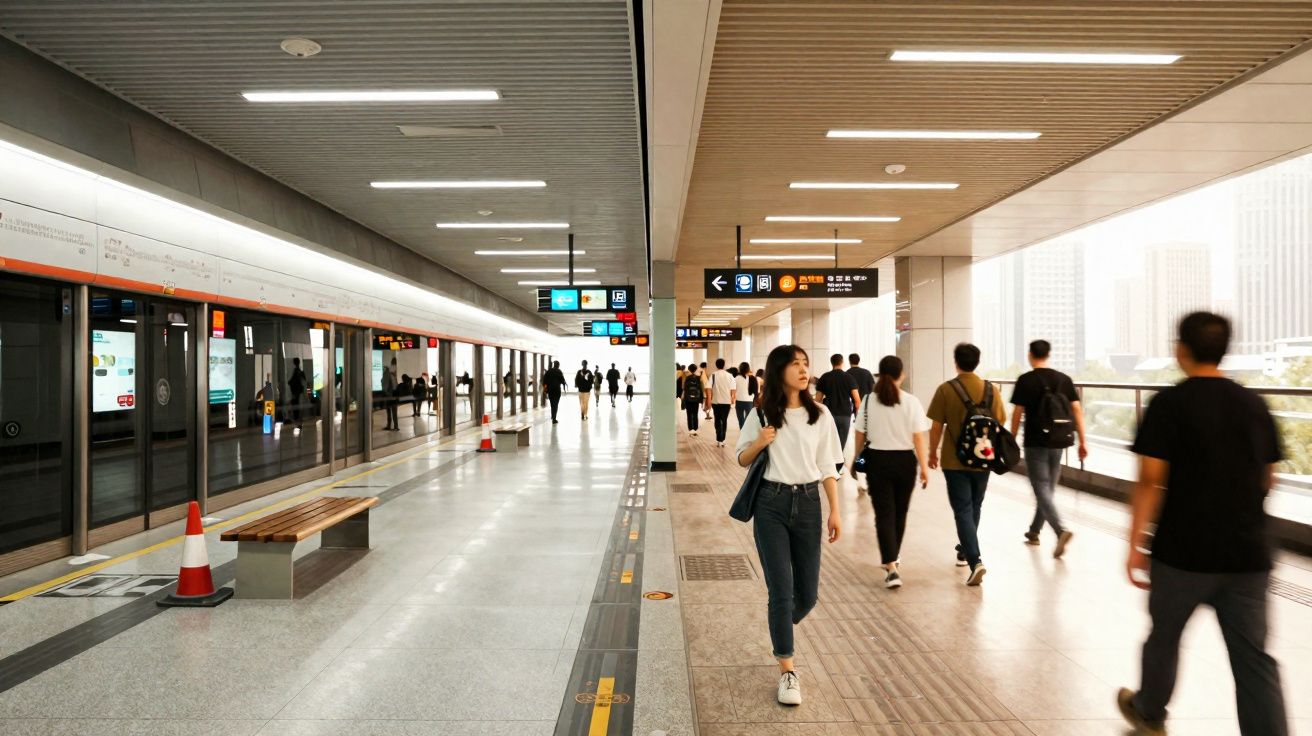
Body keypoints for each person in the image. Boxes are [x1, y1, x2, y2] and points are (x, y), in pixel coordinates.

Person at [1118, 313, 1289, 736]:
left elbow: (1150, 479)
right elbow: (1270, 475)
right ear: (1224, 348)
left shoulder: (1169, 404)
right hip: (1248, 554)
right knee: (1253, 659)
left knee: (1164, 637)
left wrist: (1136, 542)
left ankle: (1149, 710)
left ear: (1182, 349)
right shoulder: (1254, 404)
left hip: (1182, 553)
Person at [736, 344, 843, 707]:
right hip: (771, 504)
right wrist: (760, 441)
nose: (802, 369)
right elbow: (741, 457)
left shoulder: (821, 414)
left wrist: (835, 511)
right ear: (778, 369)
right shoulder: (763, 412)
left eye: (805, 364)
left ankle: (779, 624)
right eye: (795, 364)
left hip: (810, 504)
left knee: (808, 595)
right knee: (781, 591)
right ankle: (788, 671)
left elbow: (829, 465)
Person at [926, 343, 1005, 586]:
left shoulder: (946, 389)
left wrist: (932, 453)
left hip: (955, 460)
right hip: (984, 458)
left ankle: (975, 560)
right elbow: (1000, 420)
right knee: (975, 505)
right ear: (977, 362)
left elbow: (936, 426)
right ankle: (965, 549)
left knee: (962, 509)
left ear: (956, 362)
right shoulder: (991, 390)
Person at [851, 356, 930, 589]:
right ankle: (893, 556)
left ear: (879, 373)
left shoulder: (867, 401)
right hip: (905, 462)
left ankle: (891, 566)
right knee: (900, 513)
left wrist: (856, 459)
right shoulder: (911, 402)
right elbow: (918, 437)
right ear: (901, 375)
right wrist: (924, 467)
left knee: (883, 514)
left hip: (877, 461)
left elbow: (859, 434)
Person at [1008, 339, 1087, 558]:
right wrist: (1083, 441)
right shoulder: (1064, 379)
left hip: (1036, 442)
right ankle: (1034, 531)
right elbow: (1077, 410)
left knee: (1042, 488)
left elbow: (1017, 413)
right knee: (1048, 489)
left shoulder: (1025, 380)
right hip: (1060, 441)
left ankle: (1060, 530)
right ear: (1048, 354)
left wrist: (1012, 438)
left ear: (1030, 354)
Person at [814, 353, 860, 455]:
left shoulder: (825, 377)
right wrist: (858, 417)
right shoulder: (849, 377)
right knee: (841, 444)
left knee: (830, 443)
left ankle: (832, 466)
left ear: (832, 363)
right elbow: (857, 401)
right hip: (845, 415)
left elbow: (818, 400)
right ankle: (838, 466)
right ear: (842, 362)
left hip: (829, 414)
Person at [708, 358, 735, 447]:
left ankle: (719, 438)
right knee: (724, 420)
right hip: (726, 402)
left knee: (717, 419)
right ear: (724, 365)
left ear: (716, 365)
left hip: (716, 402)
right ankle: (722, 439)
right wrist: (732, 400)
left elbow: (709, 388)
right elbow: (733, 390)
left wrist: (708, 400)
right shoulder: (730, 375)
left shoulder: (713, 375)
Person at [682, 365, 704, 435]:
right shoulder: (698, 378)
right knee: (695, 413)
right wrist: (701, 399)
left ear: (689, 369)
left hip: (688, 398)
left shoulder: (687, 377)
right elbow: (701, 389)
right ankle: (695, 428)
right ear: (695, 369)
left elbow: (684, 388)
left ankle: (690, 429)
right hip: (696, 399)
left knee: (689, 414)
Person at [734, 361, 758, 427]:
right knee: (747, 421)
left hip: (739, 402)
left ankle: (742, 432)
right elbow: (756, 391)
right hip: (749, 402)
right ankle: (746, 433)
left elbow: (734, 390)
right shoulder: (752, 378)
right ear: (748, 369)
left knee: (741, 420)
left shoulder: (736, 378)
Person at [287, 357, 307, 428]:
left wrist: (289, 382)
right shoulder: (300, 370)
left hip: (296, 391)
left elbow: (293, 379)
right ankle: (298, 419)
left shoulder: (297, 370)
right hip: (298, 391)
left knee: (295, 404)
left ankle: (297, 419)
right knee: (296, 403)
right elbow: (304, 379)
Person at [382, 358, 399, 431]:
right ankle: (395, 426)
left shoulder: (387, 373)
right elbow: (396, 384)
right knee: (394, 411)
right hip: (395, 394)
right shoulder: (394, 373)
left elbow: (385, 385)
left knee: (389, 410)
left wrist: (385, 392)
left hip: (389, 395)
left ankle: (389, 425)